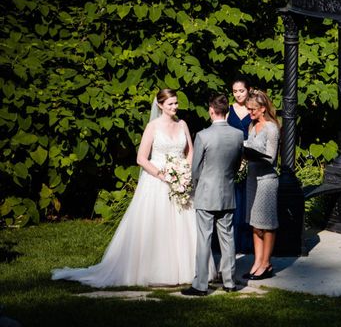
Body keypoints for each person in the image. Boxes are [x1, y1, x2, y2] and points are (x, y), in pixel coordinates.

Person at [52, 88, 199, 287]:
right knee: (157, 225)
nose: (174, 107)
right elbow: (141, 158)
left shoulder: (182, 124)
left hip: (180, 181)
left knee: (183, 226)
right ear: (160, 105)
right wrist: (163, 176)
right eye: (170, 103)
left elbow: (190, 151)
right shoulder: (152, 127)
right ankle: (157, 271)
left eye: (176, 103)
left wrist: (185, 171)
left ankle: (188, 269)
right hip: (158, 181)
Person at [181, 94, 244, 296]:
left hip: (207, 193)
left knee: (204, 239)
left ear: (211, 110)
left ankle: (200, 285)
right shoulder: (237, 135)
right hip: (227, 192)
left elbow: (196, 169)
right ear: (226, 111)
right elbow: (236, 166)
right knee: (227, 238)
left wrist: (196, 187)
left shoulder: (203, 135)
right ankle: (229, 282)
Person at [242, 89, 280, 281]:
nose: (250, 113)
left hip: (266, 180)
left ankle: (266, 263)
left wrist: (252, 154)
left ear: (263, 108)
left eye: (253, 109)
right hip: (252, 179)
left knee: (267, 224)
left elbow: (272, 157)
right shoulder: (251, 125)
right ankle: (257, 262)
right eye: (248, 109)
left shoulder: (271, 128)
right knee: (255, 224)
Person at [226, 76, 253, 254]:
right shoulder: (229, 111)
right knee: (235, 200)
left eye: (241, 90)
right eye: (235, 91)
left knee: (249, 200)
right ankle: (233, 243)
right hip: (234, 159)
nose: (238, 94)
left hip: (251, 158)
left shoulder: (254, 109)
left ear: (248, 90)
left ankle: (248, 243)